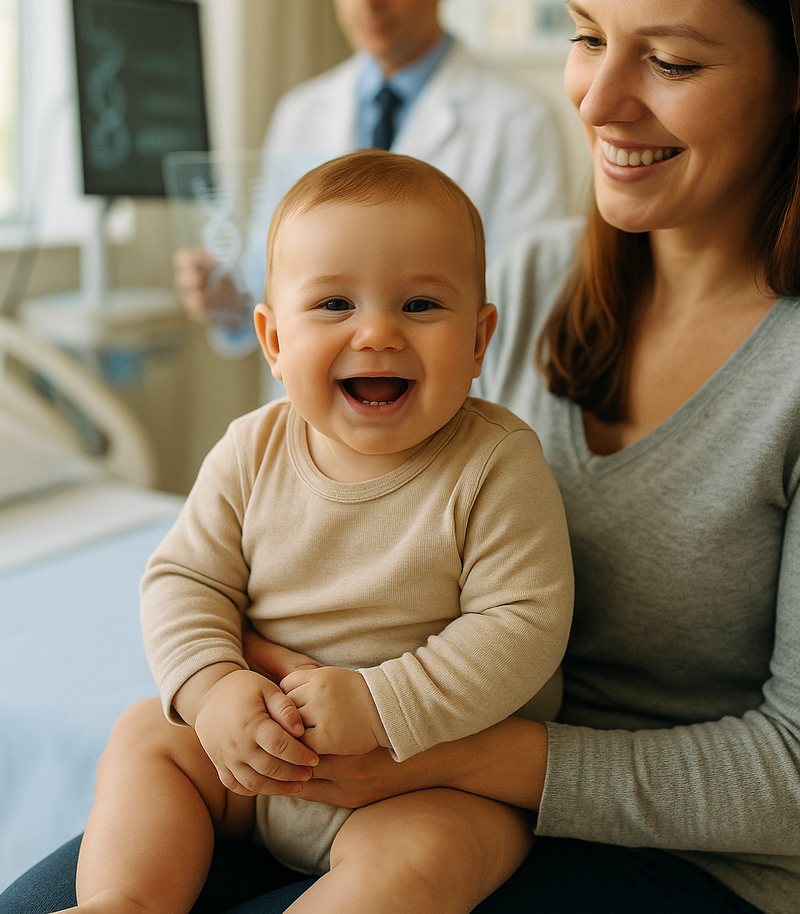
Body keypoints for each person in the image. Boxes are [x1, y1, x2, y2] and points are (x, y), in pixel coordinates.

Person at [8, 0, 800, 914]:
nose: (597, 99)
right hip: (297, 753)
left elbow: (789, 772)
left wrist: (415, 737)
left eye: (667, 58)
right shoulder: (520, 281)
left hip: (630, 835)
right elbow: (262, 509)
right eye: (582, 36)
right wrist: (225, 690)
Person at [47, 151, 572, 914]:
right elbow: (183, 581)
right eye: (333, 306)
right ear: (273, 340)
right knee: (145, 737)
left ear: (480, 338)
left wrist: (382, 703)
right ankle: (125, 901)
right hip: (256, 761)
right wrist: (211, 689)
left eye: (421, 305)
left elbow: (523, 626)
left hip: (426, 776)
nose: (378, 334)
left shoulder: (496, 462)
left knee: (425, 858)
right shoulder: (250, 450)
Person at [176, 0, 568, 350]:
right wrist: (227, 296)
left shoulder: (518, 121)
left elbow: (525, 305)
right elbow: (273, 288)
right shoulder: (300, 113)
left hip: (446, 415)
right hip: (314, 414)